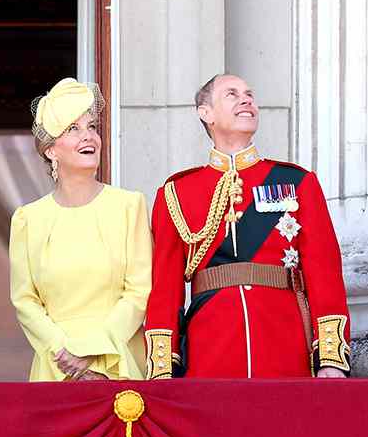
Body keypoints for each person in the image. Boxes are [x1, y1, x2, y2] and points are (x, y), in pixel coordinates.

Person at [144, 73, 351, 379]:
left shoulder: (296, 182)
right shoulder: (176, 193)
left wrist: (331, 359)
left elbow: (324, 274)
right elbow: (165, 290)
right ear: (206, 113)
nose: (246, 100)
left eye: (249, 94)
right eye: (232, 94)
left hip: (285, 342)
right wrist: (163, 370)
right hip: (210, 349)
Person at [9, 79, 151, 382]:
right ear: (51, 151)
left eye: (92, 127)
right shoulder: (27, 219)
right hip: (55, 366)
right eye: (73, 129)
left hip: (118, 362)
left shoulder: (129, 206)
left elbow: (139, 292)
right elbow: (25, 301)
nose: (89, 137)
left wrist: (92, 352)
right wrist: (65, 354)